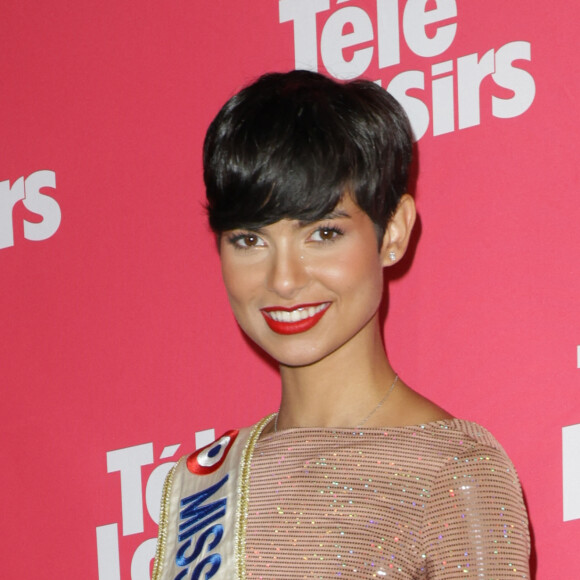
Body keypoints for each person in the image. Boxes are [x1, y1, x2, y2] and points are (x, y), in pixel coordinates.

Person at [153, 70, 530, 579]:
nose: (284, 280)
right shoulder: (199, 486)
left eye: (323, 233)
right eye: (249, 240)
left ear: (392, 231)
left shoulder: (452, 472)